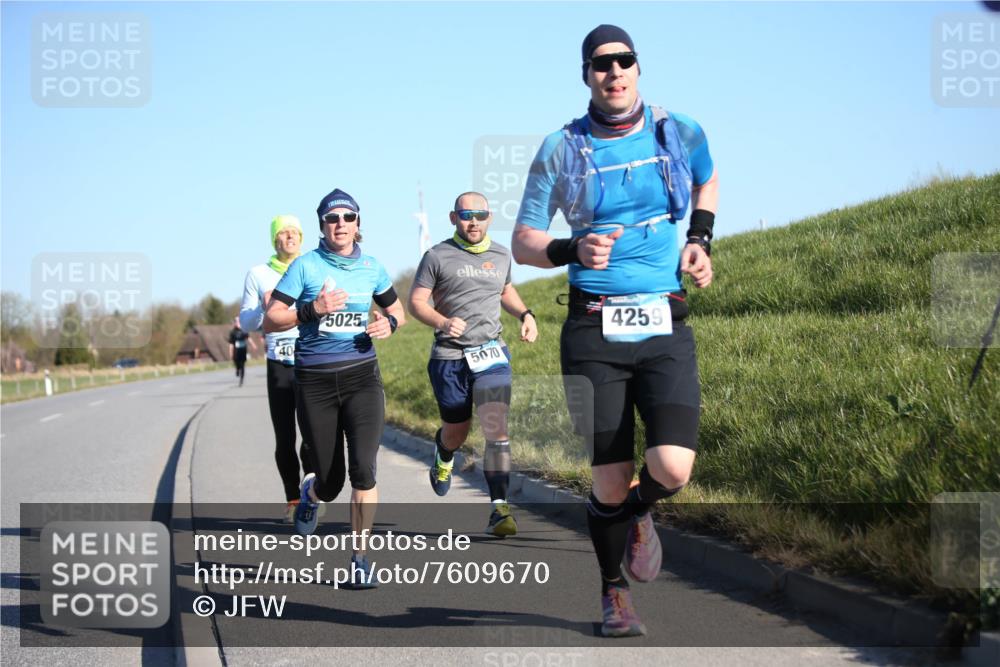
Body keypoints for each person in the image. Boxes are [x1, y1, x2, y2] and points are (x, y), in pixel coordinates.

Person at [511, 25, 719, 637]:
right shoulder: (559, 148)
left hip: (664, 319)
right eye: (602, 64)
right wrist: (571, 246)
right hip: (593, 327)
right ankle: (613, 593)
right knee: (605, 476)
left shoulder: (677, 130)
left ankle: (636, 512)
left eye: (624, 61)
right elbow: (523, 242)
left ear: (637, 68)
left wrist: (700, 240)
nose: (614, 72)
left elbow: (707, 178)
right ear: (586, 76)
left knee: (674, 467)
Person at [264, 188, 405, 588]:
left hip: (362, 377)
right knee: (330, 482)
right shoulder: (306, 267)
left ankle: (360, 559)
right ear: (322, 225)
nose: (340, 224)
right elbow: (272, 318)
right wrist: (312, 310)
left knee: (364, 471)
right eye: (332, 218)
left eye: (348, 217)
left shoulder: (373, 267)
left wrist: (389, 324)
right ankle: (310, 492)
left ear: (358, 224)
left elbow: (397, 311)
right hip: (315, 383)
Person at [408, 192, 538, 537]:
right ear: (454, 218)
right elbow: (417, 302)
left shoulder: (500, 254)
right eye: (467, 215)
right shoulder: (436, 255)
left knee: (496, 429)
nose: (474, 221)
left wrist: (525, 314)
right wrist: (441, 322)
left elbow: (505, 290)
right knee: (456, 431)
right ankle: (444, 453)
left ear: (490, 217)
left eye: (480, 215)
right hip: (449, 359)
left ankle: (499, 508)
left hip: (492, 355)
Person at [240, 214, 322, 523]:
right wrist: (266, 308)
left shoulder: (312, 266)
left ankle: (309, 491)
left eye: (294, 233)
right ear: (274, 240)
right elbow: (247, 322)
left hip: (311, 357)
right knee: (285, 436)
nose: (289, 238)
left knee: (313, 434)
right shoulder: (258, 274)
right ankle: (291, 499)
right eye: (283, 234)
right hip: (279, 362)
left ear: (301, 238)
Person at [227, 317, 256, 386]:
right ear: (234, 323)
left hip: (243, 350)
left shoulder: (244, 330)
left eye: (238, 321)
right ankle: (237, 369)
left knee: (242, 365)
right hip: (236, 351)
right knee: (237, 363)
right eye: (236, 322)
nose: (237, 323)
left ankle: (241, 380)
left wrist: (253, 345)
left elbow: (248, 338)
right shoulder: (232, 332)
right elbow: (231, 344)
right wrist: (230, 352)